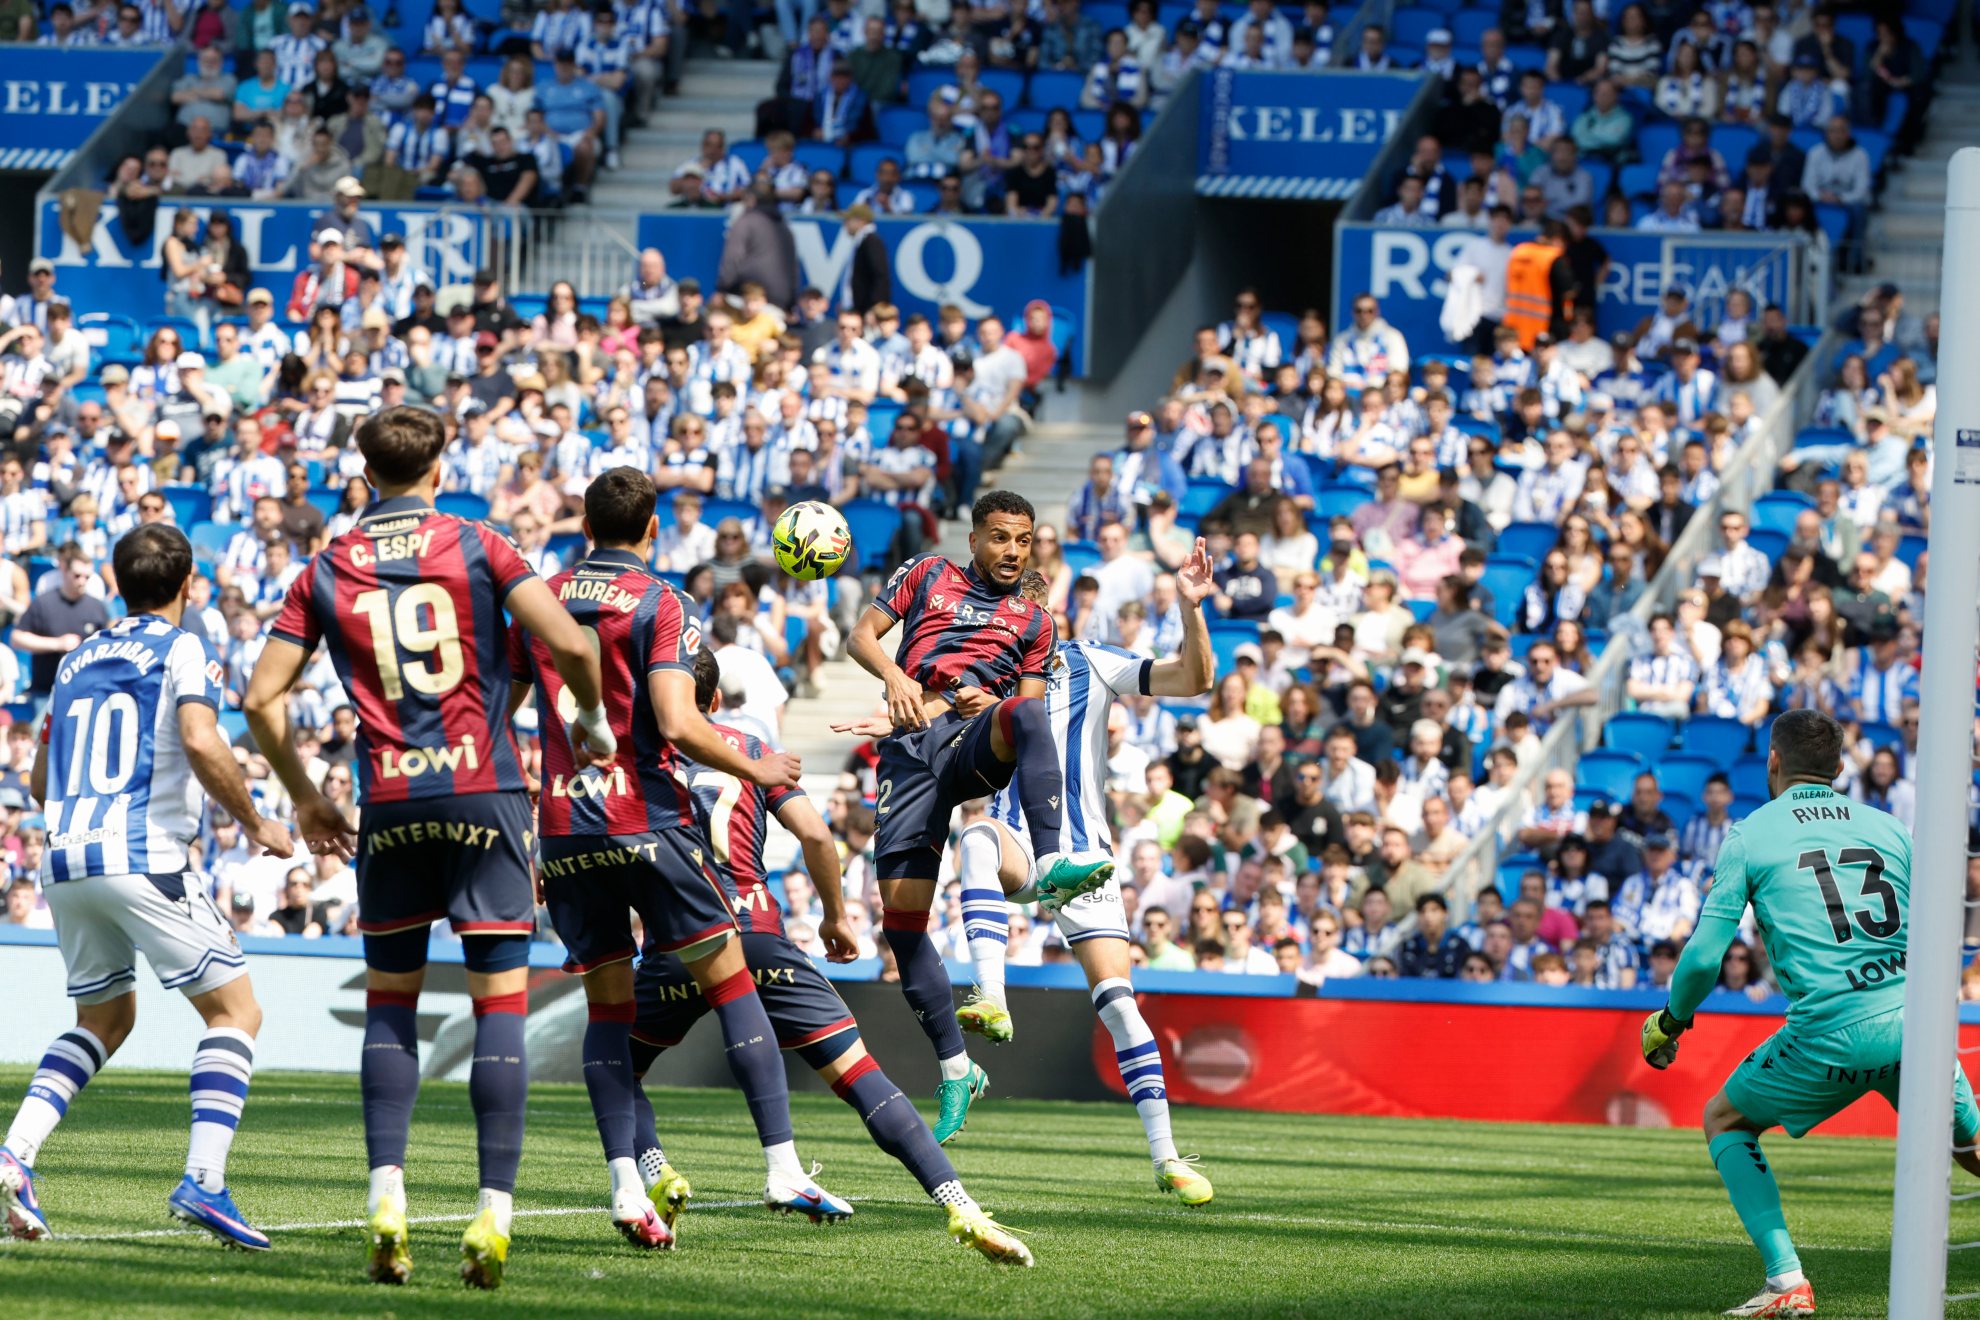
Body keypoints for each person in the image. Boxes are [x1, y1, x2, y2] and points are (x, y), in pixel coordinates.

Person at [241, 406, 610, 1290]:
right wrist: (590, 720)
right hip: (484, 793)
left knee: (391, 1009)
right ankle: (492, 1211)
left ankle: (386, 1196)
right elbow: (569, 640)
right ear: (441, 465)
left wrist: (302, 796)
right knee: (500, 1013)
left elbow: (260, 701)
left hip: (391, 805)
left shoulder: (323, 568)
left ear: (364, 473)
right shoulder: (482, 545)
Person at [503, 466, 855, 1247]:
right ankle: (783, 1167)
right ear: (654, 529)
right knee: (732, 987)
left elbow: (504, 704)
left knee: (608, 1012)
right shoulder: (662, 600)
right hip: (646, 821)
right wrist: (756, 767)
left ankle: (628, 1189)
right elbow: (676, 719)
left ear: (583, 525)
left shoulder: (534, 598)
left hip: (564, 828)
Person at [621, 650, 1031, 1264]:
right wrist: (836, 917)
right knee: (863, 1080)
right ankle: (960, 1206)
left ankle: (654, 1171)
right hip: (758, 936)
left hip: (677, 944)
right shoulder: (749, 748)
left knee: (617, 1069)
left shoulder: (637, 760)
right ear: (713, 702)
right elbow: (815, 834)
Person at [0, 525, 294, 1251]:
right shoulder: (183, 645)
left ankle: (14, 1154)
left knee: (104, 1020)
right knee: (236, 1013)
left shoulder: (75, 659)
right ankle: (204, 1178)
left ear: (113, 578)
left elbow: (38, 779)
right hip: (142, 854)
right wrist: (255, 821)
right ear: (190, 582)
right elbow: (199, 737)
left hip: (65, 858)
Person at [1639, 709, 1980, 1317]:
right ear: (1841, 768)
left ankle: (1786, 1281)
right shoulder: (1890, 828)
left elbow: (1702, 960)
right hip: (1916, 1026)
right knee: (1971, 1149)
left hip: (1829, 1034)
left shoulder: (1750, 834)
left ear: (1772, 761)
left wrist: (1671, 1021)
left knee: (1725, 1120)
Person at [911, 550, 1216, 1199]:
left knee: (1119, 1005)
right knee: (978, 840)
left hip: (1085, 856)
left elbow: (1192, 678)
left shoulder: (1090, 661)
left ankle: (1167, 1159)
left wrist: (1189, 606)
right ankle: (990, 993)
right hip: (1018, 841)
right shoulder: (980, 677)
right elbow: (929, 725)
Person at [837, 492, 1116, 1141]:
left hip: (974, 737)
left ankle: (1050, 864)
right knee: (902, 928)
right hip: (908, 752)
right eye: (1000, 537)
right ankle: (958, 1068)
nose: (1013, 551)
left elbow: (1030, 709)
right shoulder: (926, 574)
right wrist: (896, 678)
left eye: (1023, 539)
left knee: (1019, 715)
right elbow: (861, 637)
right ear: (974, 539)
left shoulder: (1033, 622)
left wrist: (985, 698)